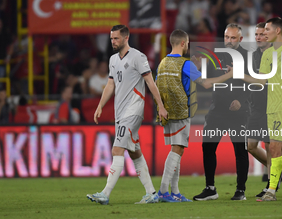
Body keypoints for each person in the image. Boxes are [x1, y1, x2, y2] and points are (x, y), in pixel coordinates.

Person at [227, 17, 282, 201]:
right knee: (281, 151)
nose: (264, 33)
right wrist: (240, 74)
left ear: (277, 31)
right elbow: (261, 82)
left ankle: (271, 191)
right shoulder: (268, 54)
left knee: (274, 147)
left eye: (267, 30)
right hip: (271, 108)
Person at [86, 24, 167, 205]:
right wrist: (100, 105)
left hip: (134, 110)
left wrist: (160, 106)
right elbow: (110, 84)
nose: (113, 41)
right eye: (111, 38)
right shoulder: (113, 59)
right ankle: (151, 193)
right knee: (135, 152)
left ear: (126, 38)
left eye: (116, 38)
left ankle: (105, 194)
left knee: (117, 149)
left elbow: (150, 82)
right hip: (120, 113)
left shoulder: (138, 57)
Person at [156, 29, 233, 202]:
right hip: (182, 111)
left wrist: (160, 107)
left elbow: (156, 86)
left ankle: (174, 192)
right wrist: (229, 74)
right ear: (183, 43)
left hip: (166, 112)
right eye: (188, 43)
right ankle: (163, 191)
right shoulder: (185, 64)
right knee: (177, 149)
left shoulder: (162, 63)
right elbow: (206, 84)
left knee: (177, 149)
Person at [193, 23, 251, 201]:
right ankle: (210, 188)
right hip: (217, 109)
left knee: (240, 150)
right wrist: (198, 68)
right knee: (207, 147)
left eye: (233, 38)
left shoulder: (248, 57)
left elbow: (255, 84)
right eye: (227, 37)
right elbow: (208, 80)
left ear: (240, 39)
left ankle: (240, 190)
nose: (229, 41)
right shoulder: (215, 55)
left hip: (238, 113)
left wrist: (241, 101)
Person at [246, 23, 282, 198]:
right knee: (251, 146)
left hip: (272, 106)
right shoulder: (253, 56)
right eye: (256, 34)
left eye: (262, 34)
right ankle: (279, 171)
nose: (258, 37)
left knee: (270, 146)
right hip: (256, 107)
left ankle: (271, 185)